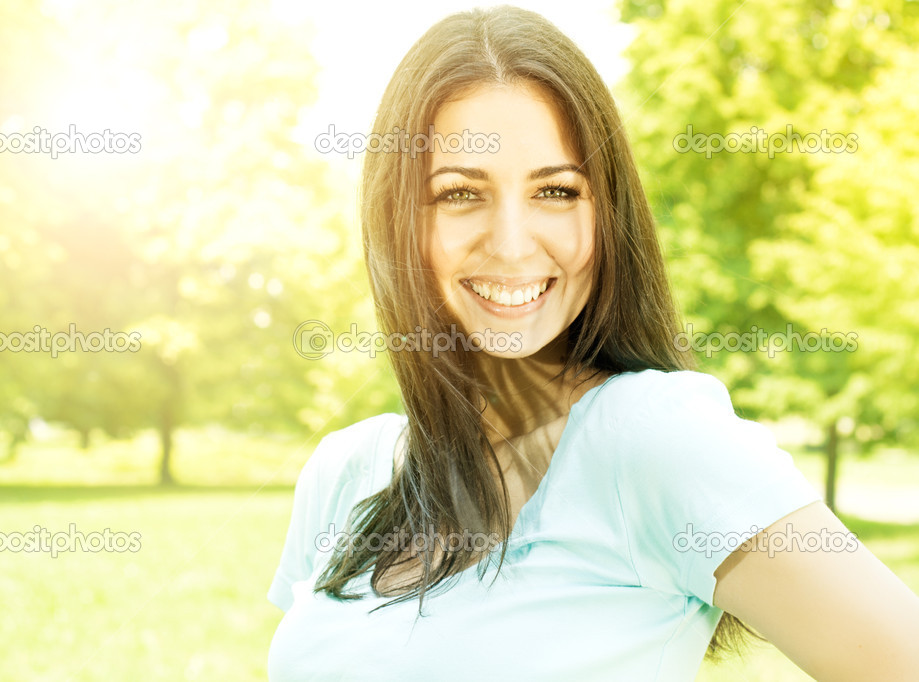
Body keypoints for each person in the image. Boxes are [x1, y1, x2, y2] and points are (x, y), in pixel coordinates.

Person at [266, 6, 919, 681]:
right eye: (460, 193)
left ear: (606, 213)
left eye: (554, 190)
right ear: (395, 217)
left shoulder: (654, 439)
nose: (513, 243)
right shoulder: (347, 471)